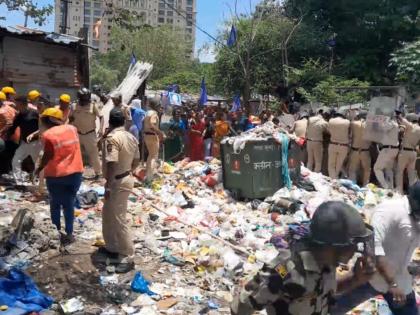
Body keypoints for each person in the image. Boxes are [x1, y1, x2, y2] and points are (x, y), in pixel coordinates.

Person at [231, 201, 375, 315]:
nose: (355, 250)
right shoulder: (286, 269)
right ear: (332, 246)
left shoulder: (328, 263)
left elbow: (324, 291)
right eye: (352, 245)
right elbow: (242, 306)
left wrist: (355, 278)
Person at [332, 182, 420, 315]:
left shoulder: (416, 218)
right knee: (332, 308)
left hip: (402, 283)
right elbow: (374, 249)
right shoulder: (389, 210)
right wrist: (392, 284)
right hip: (372, 278)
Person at [35, 108, 83, 245]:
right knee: (69, 203)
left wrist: (39, 168)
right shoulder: (72, 129)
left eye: (43, 119)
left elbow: (48, 155)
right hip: (75, 173)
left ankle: (56, 231)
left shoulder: (48, 135)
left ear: (49, 119)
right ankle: (69, 233)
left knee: (55, 204)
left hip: (56, 175)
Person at [99, 108, 140, 271]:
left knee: (118, 218)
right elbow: (137, 160)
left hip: (117, 181)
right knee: (108, 214)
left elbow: (112, 163)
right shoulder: (131, 137)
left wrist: (108, 185)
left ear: (110, 122)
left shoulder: (113, 138)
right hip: (126, 177)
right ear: (123, 122)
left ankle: (127, 256)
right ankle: (112, 247)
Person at [70, 88, 103, 180]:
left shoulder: (93, 105)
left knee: (94, 154)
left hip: (90, 134)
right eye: (83, 99)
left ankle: (98, 173)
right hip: (77, 134)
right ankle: (77, 173)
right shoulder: (74, 106)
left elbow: (101, 117)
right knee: (76, 155)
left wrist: (101, 129)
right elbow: (70, 118)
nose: (85, 102)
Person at [8, 96, 40, 185]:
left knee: (37, 163)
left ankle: (36, 182)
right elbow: (13, 127)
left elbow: (42, 127)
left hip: (36, 143)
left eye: (17, 104)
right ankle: (19, 183)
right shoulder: (19, 115)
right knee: (16, 160)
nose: (16, 106)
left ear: (23, 104)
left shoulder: (34, 113)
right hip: (24, 143)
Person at [374, 111, 400, 189]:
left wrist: (380, 119)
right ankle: (390, 188)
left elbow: (383, 127)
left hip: (388, 149)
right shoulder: (395, 123)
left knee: (377, 168)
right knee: (389, 169)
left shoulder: (392, 123)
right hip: (393, 149)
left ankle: (385, 187)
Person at [396, 113, 420, 194]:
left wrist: (398, 114)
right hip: (413, 153)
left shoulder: (411, 126)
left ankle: (400, 192)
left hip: (405, 152)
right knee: (411, 174)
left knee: (400, 172)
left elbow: (402, 120)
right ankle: (412, 193)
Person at [348, 110, 372, 187]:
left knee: (352, 169)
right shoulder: (370, 125)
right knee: (367, 170)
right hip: (365, 151)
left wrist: (354, 116)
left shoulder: (354, 123)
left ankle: (352, 186)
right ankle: (365, 186)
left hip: (355, 150)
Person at [143, 99, 164, 182]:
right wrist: (160, 133)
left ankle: (148, 175)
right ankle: (150, 178)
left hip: (146, 135)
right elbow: (152, 124)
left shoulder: (147, 112)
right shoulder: (154, 113)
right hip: (152, 135)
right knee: (154, 156)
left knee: (150, 156)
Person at [327, 109, 351, 179]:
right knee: (339, 165)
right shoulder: (347, 122)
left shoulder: (331, 120)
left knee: (331, 165)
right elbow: (349, 133)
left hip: (333, 144)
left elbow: (328, 131)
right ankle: (336, 177)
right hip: (343, 146)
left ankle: (333, 179)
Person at [0, 91, 18, 174]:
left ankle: (5, 173)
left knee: (4, 156)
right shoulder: (11, 108)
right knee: (9, 156)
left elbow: (9, 124)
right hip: (13, 136)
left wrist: (1, 132)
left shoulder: (3, 111)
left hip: (6, 136)